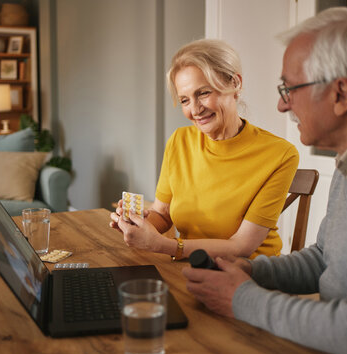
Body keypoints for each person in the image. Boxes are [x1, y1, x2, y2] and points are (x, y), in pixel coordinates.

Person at [182, 7, 347, 354]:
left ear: (341, 94)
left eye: (289, 88)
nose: (281, 104)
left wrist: (241, 299)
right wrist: (253, 272)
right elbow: (324, 259)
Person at [110, 39, 299, 259]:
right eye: (184, 100)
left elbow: (241, 247)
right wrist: (137, 224)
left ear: (235, 83)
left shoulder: (280, 154)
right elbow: (162, 213)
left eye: (203, 93)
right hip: (191, 267)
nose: (195, 109)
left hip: (249, 273)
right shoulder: (179, 141)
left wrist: (163, 245)